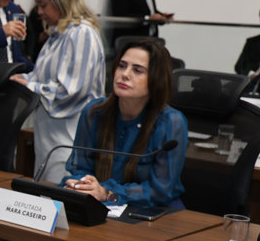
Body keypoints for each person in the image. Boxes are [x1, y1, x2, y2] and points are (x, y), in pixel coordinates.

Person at [63, 38, 188, 209]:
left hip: (155, 213)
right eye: (121, 66)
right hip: (100, 205)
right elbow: (80, 169)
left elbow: (160, 191)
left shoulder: (170, 122)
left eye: (137, 70)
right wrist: (81, 185)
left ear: (156, 79)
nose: (125, 74)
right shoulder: (94, 112)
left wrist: (108, 194)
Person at [11, 0, 105, 183]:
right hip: (51, 136)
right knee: (46, 192)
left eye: (43, 5)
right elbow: (40, 76)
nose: (39, 12)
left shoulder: (81, 33)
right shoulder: (58, 35)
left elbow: (70, 90)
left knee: (62, 194)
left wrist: (29, 86)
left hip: (69, 137)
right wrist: (21, 79)